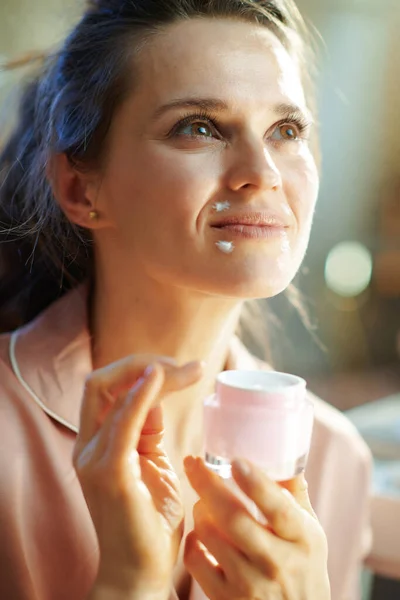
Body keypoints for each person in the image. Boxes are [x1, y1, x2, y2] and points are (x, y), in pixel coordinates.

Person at [0, 1, 371, 599]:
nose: (262, 172)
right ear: (79, 186)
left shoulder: (333, 461)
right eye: (198, 126)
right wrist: (129, 586)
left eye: (286, 130)